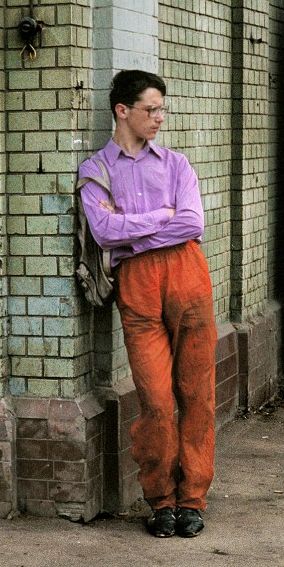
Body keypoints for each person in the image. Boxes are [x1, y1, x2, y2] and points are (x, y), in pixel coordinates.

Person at [77, 69, 217, 539]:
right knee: (156, 400)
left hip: (187, 274)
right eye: (151, 109)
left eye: (163, 109)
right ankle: (161, 500)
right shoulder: (96, 170)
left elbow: (192, 223)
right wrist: (162, 215)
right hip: (137, 284)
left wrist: (134, 225)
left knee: (196, 393)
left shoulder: (177, 164)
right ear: (123, 110)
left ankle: (193, 498)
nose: (160, 118)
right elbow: (103, 231)